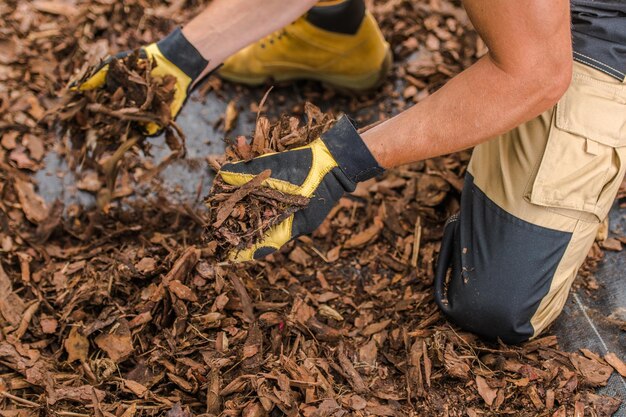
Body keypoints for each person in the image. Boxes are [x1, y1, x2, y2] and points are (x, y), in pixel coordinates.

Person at [78, 0, 626, 344]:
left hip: (595, 34)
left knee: (499, 306)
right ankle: (332, 32)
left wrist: (338, 161)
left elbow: (534, 75)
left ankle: (502, 105)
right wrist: (178, 56)